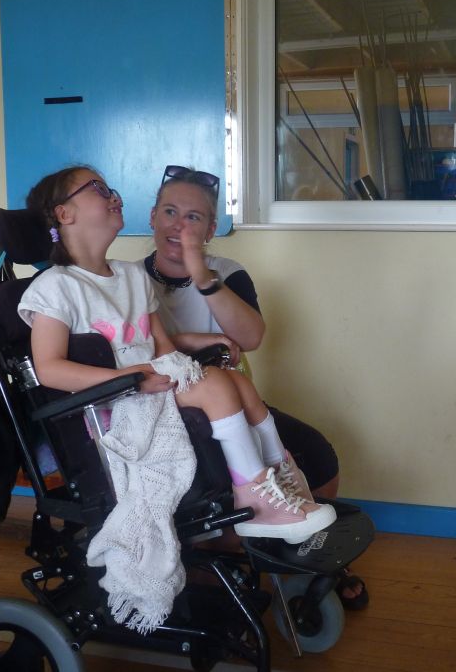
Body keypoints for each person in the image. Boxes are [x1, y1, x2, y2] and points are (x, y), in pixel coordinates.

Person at [17, 164, 337, 545]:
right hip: (115, 403)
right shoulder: (55, 287)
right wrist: (134, 376)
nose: (114, 195)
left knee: (232, 378)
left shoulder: (131, 277)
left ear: (210, 227)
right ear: (64, 214)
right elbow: (49, 369)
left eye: (193, 217)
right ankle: (255, 497)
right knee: (217, 383)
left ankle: (279, 473)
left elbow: (162, 347)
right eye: (98, 190)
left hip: (148, 383)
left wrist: (190, 345)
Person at [141, 164, 369, 610]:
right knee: (217, 484)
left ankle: (303, 551)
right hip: (172, 414)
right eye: (170, 211)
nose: (179, 225)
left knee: (316, 453)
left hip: (237, 407)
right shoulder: (130, 279)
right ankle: (240, 556)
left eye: (193, 217)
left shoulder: (227, 271)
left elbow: (251, 338)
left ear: (210, 229)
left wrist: (201, 274)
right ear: (152, 217)